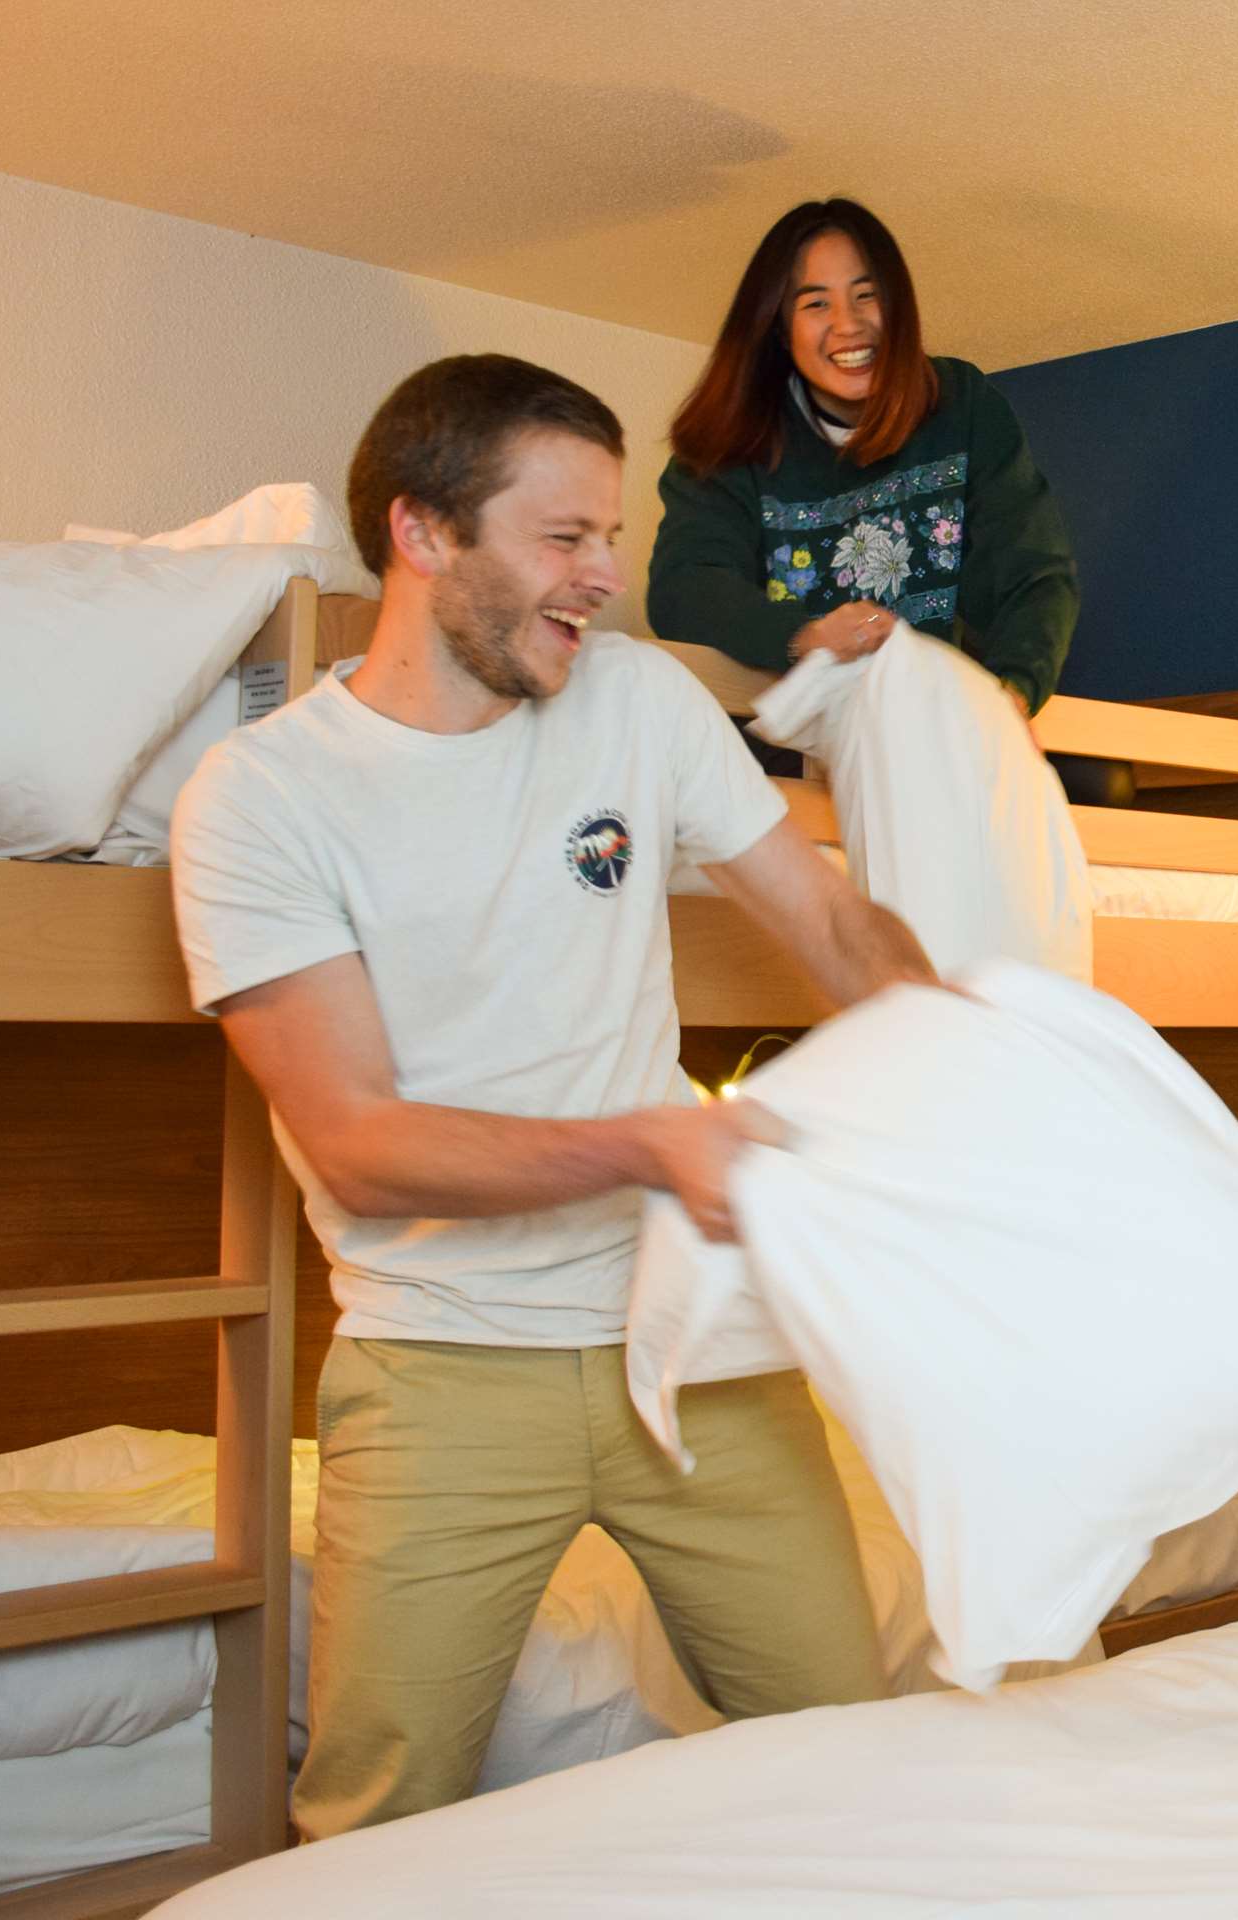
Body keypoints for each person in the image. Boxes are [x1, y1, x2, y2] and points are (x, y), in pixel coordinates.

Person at [170, 354, 936, 1838]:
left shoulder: (638, 702)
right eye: (565, 537)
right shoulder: (264, 799)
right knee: (374, 1820)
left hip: (692, 1346)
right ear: (423, 532)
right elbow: (360, 1144)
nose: (603, 577)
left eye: (613, 538)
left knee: (850, 1752)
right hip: (444, 1365)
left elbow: (833, 920)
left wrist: (962, 1046)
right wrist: (652, 1144)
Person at [648, 198, 1094, 978]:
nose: (848, 325)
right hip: (798, 735)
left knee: (950, 740)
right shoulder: (734, 440)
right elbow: (684, 588)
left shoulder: (959, 408)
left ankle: (982, 1010)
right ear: (778, 326)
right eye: (814, 303)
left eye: (866, 295)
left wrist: (1011, 696)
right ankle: (926, 1001)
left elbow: (1036, 573)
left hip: (933, 728)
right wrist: (805, 634)